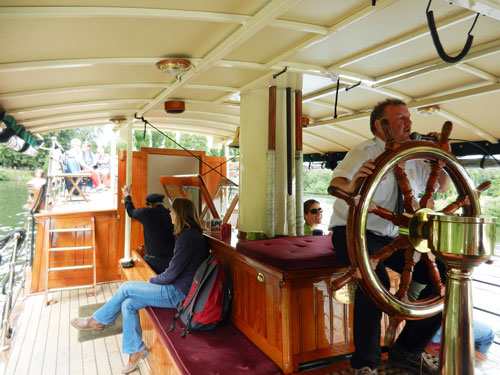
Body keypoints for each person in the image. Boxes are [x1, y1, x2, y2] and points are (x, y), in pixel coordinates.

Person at [328, 98, 450, 375]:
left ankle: (406, 350)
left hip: (394, 238)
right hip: (352, 232)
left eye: (408, 117)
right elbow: (336, 185)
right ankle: (365, 364)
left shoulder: (416, 156)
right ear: (380, 126)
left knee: (446, 278)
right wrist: (354, 181)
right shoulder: (362, 152)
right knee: (375, 281)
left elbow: (441, 187)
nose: (408, 122)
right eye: (399, 118)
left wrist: (440, 158)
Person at [71, 197, 209, 374]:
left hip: (177, 293)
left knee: (127, 287)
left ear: (180, 214)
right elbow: (174, 270)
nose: (170, 214)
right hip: (177, 288)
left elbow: (172, 274)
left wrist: (152, 282)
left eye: (173, 211)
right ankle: (135, 350)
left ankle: (97, 320)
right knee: (128, 304)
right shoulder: (191, 235)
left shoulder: (188, 238)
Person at [123, 186, 176, 274]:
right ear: (162, 203)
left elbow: (130, 211)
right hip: (170, 261)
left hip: (152, 261)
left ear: (150, 205)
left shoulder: (147, 213)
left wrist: (127, 195)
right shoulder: (171, 213)